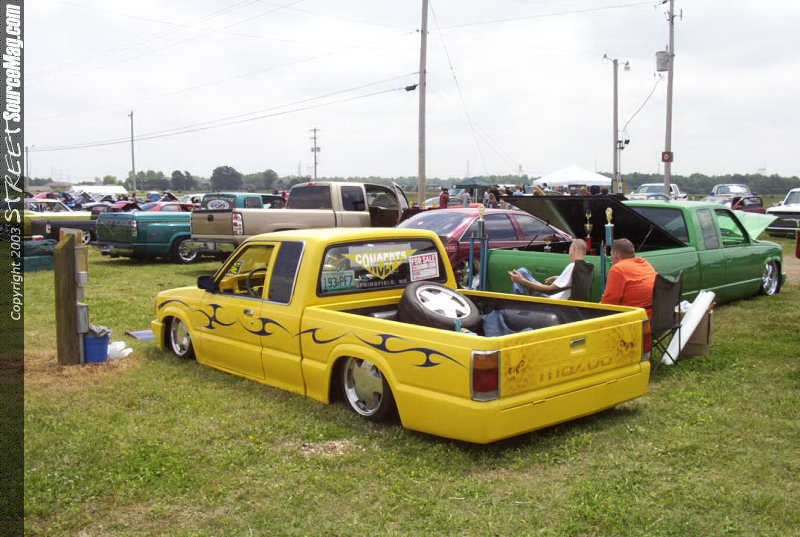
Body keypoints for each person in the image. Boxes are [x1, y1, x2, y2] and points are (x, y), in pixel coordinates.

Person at [508, 239, 587, 300]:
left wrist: (522, 281)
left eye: (569, 250)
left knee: (521, 273)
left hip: (552, 300)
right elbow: (574, 281)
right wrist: (558, 278)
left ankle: (515, 305)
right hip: (563, 298)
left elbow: (548, 290)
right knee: (523, 272)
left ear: (574, 249)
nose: (569, 254)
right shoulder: (587, 266)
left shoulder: (573, 265)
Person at [601, 238, 657, 315]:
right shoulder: (645, 263)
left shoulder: (618, 269)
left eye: (611, 254)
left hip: (634, 317)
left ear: (616, 255)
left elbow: (608, 304)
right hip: (654, 315)